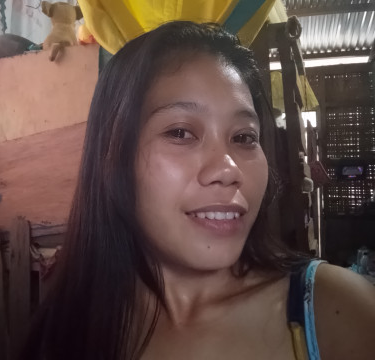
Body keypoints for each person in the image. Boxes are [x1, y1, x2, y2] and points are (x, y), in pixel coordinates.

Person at [21, 21, 375, 360]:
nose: (229, 169)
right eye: (180, 133)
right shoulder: (63, 334)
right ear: (112, 155)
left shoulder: (337, 310)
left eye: (244, 137)